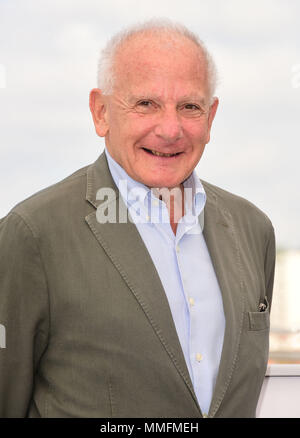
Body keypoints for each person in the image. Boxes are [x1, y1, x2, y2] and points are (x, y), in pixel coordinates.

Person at [0, 19, 275, 418]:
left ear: (211, 117)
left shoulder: (254, 230)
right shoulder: (32, 235)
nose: (170, 129)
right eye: (146, 104)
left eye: (189, 107)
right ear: (101, 112)